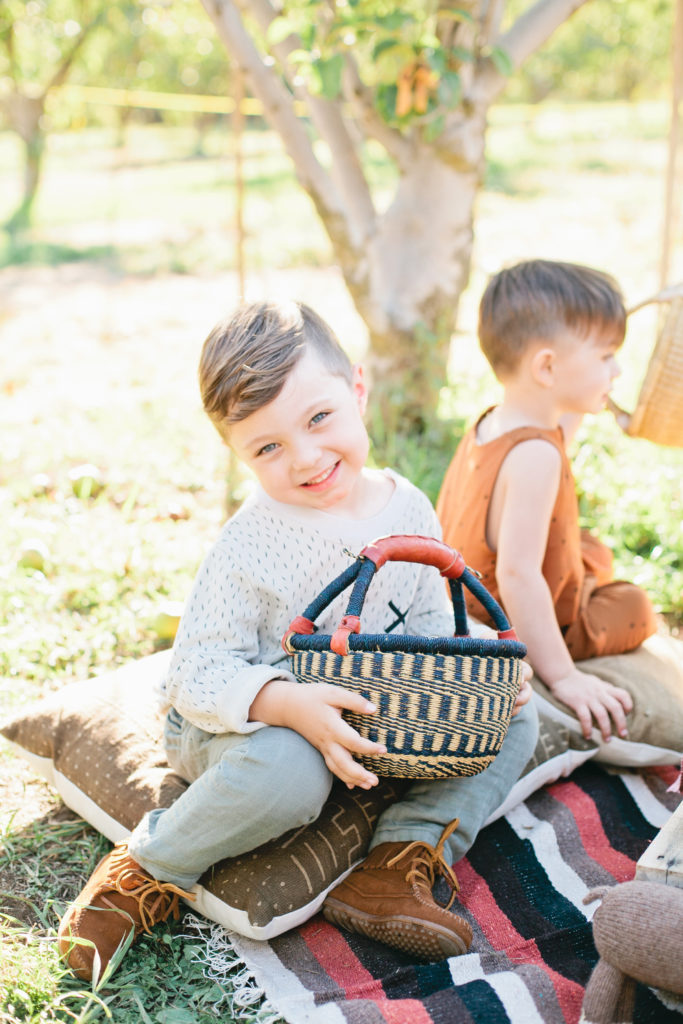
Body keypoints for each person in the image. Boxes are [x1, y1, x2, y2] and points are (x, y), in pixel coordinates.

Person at [58, 300, 537, 980]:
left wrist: (483, 662)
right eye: (267, 448)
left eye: (319, 419)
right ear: (236, 453)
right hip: (244, 723)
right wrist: (286, 705)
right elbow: (194, 671)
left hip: (367, 708)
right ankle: (145, 871)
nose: (306, 458)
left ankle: (395, 863)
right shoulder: (251, 539)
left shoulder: (407, 507)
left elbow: (431, 626)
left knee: (513, 717)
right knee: (291, 774)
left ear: (357, 389)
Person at [437, 260, 658, 747]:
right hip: (507, 617)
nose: (617, 369)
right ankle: (555, 650)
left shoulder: (498, 419)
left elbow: (567, 420)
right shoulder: (535, 455)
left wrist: (608, 395)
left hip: (465, 595)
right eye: (606, 357)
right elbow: (517, 575)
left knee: (589, 549)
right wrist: (563, 678)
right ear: (547, 367)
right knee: (635, 606)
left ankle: (577, 588)